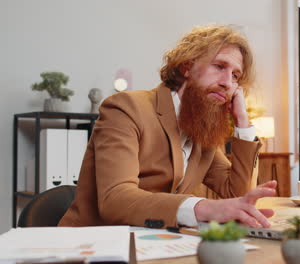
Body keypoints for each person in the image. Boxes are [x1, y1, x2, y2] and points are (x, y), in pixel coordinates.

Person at [59, 25, 277, 229]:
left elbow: (238, 195)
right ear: (187, 67)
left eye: (235, 75)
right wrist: (204, 207)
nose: (227, 83)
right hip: (91, 244)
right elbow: (115, 199)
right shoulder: (126, 108)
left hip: (152, 243)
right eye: (219, 66)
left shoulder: (202, 129)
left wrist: (242, 123)